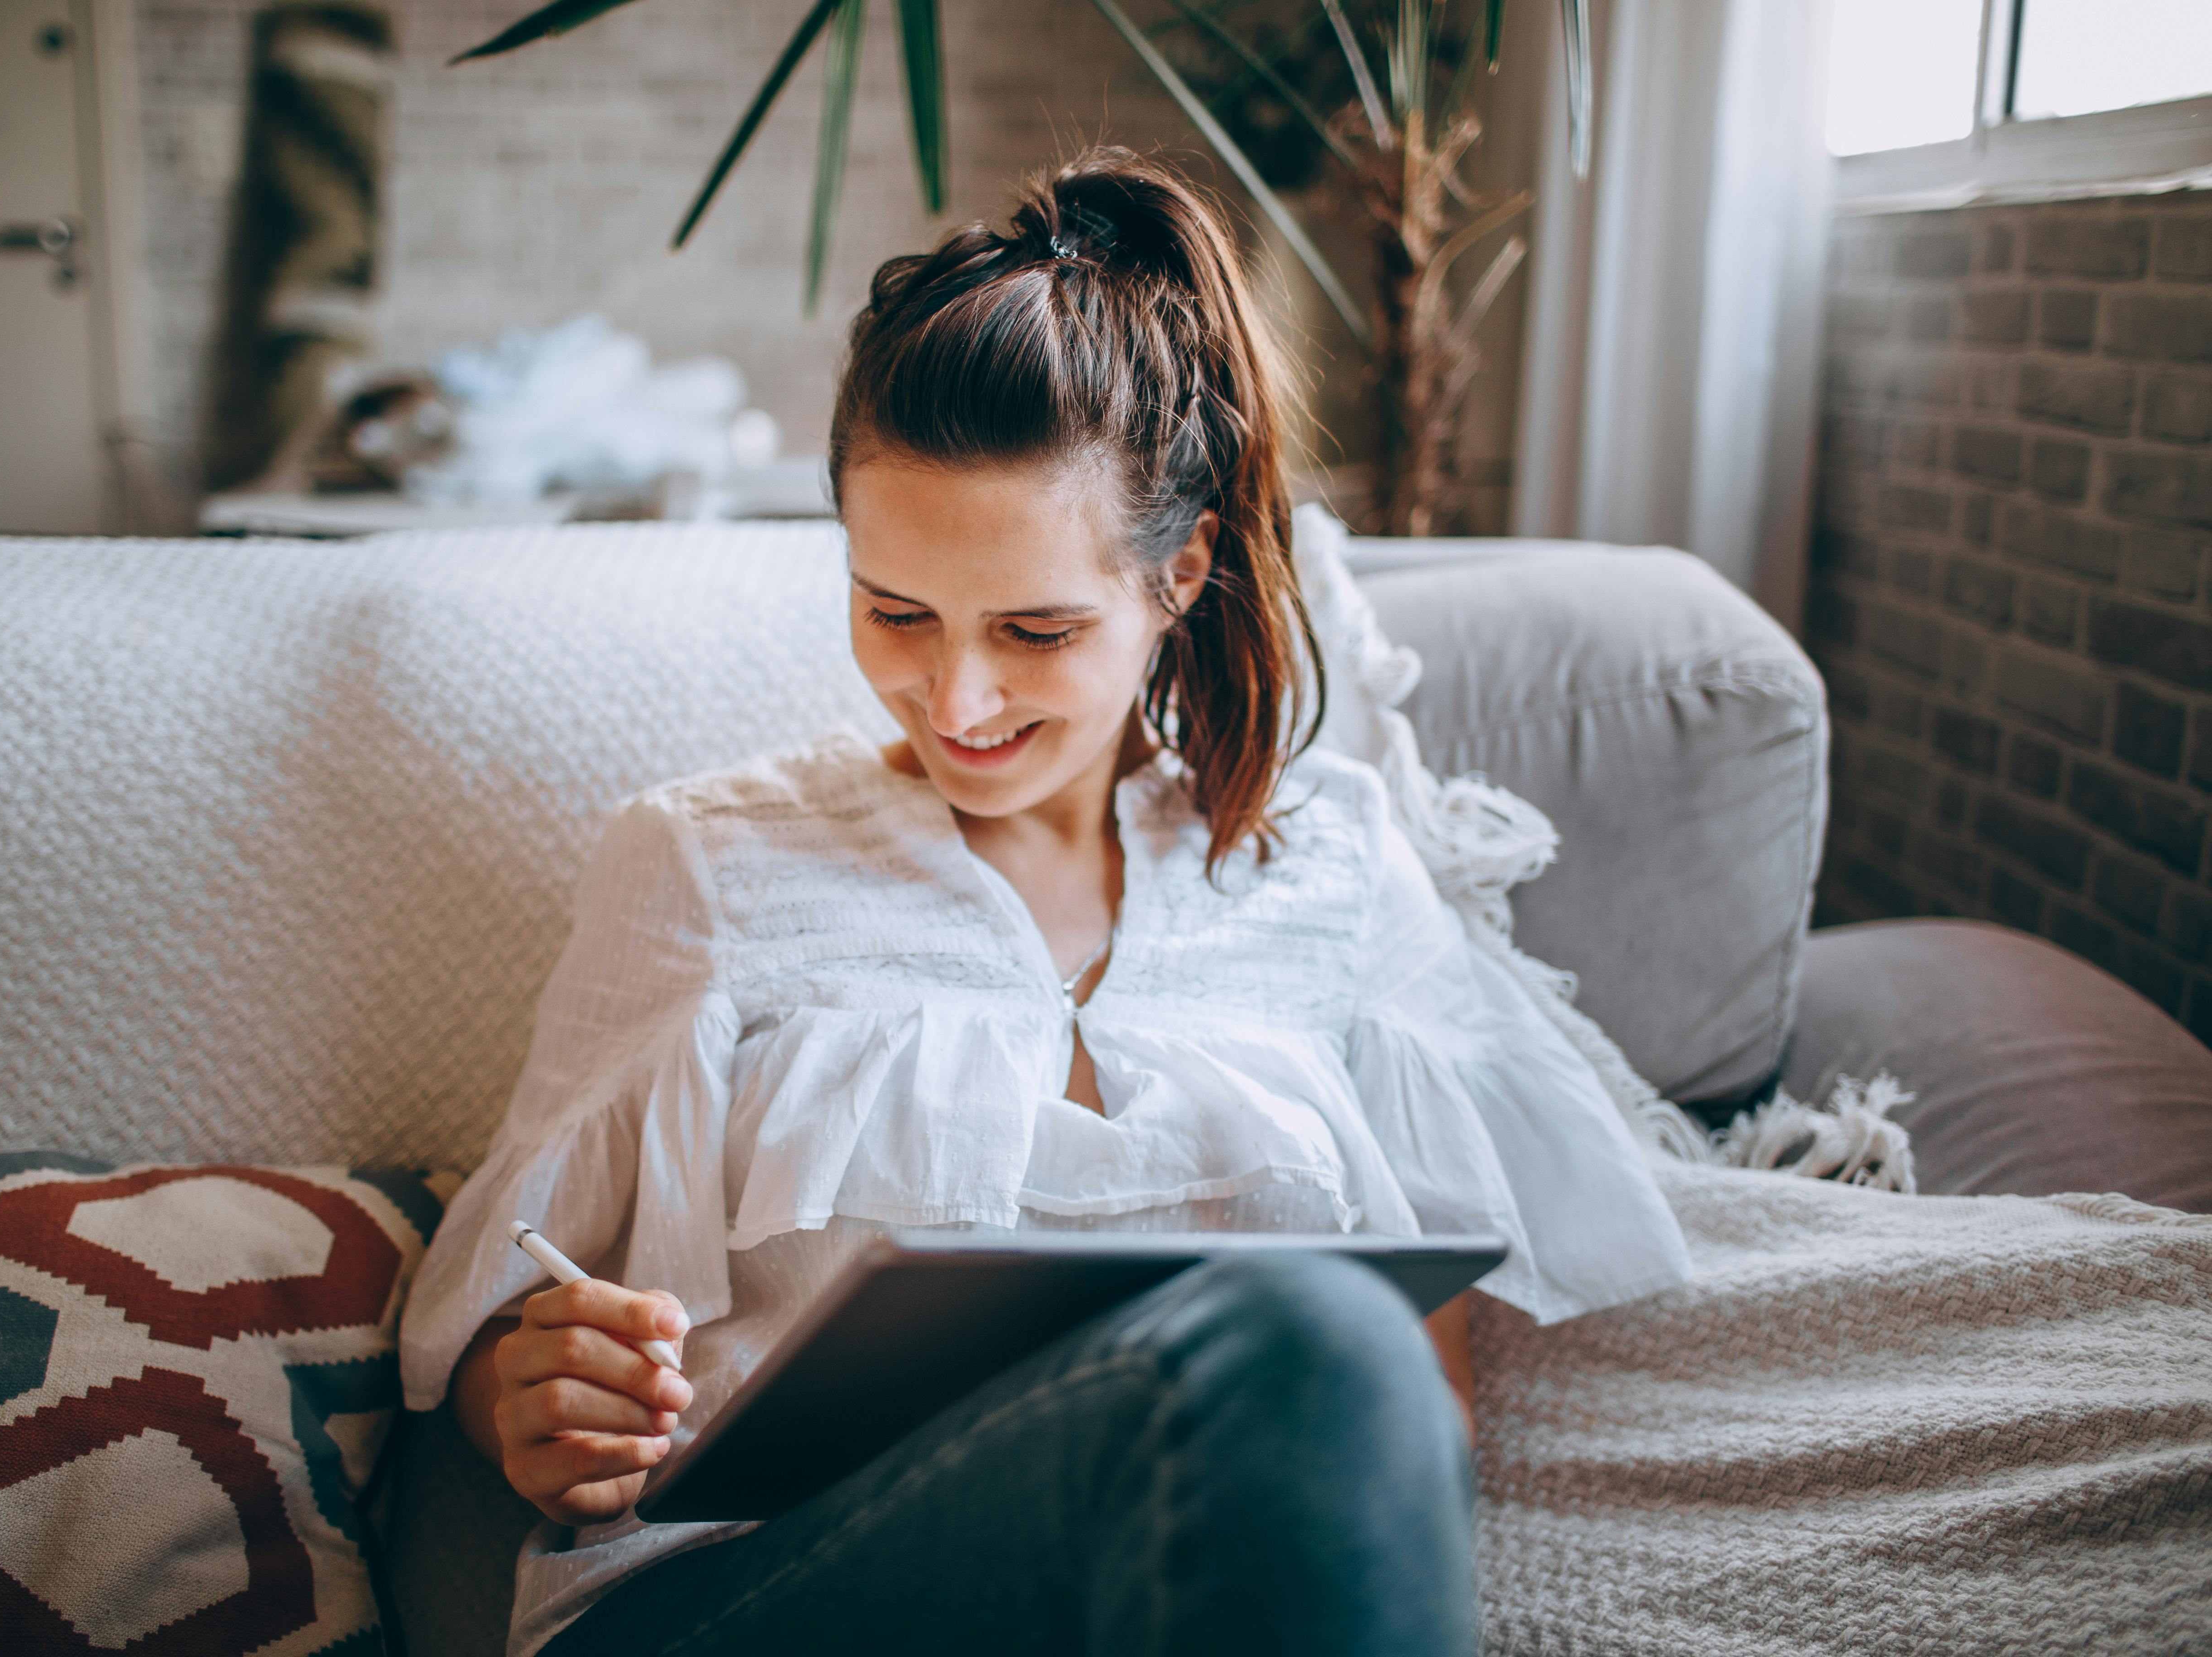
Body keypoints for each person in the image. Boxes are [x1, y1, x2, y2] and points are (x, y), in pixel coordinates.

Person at [400, 147, 1693, 1657]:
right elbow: (480, 1336)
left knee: (1323, 1350)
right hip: (738, 1600)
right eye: (896, 613)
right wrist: (532, 1395)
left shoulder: (1327, 869)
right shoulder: (706, 861)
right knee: (1309, 1341)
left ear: (1180, 575)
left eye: (1036, 629)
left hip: (1150, 1594)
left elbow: (1417, 1412)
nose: (959, 696)